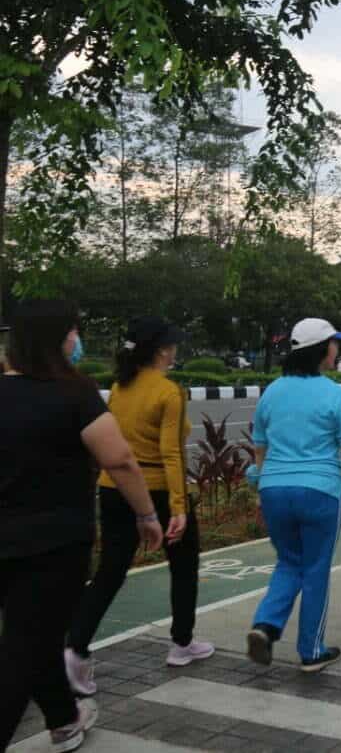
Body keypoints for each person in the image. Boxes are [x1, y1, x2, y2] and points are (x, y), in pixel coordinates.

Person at [1, 301, 163, 752]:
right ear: (57, 340)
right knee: (21, 650)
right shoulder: (73, 393)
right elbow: (120, 459)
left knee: (35, 636)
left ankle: (64, 721)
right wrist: (147, 515)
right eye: (74, 333)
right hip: (54, 543)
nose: (78, 342)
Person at [67, 318, 214, 694]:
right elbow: (171, 453)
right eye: (173, 345)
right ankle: (181, 643)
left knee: (110, 572)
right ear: (163, 350)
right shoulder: (169, 392)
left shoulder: (120, 386)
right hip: (158, 490)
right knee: (183, 565)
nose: (176, 350)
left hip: (113, 487)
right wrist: (179, 507)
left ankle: (75, 649)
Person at [245, 318, 341, 672]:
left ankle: (266, 626)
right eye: (334, 343)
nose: (338, 349)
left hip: (274, 491)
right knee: (315, 569)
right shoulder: (333, 394)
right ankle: (312, 650)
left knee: (289, 561)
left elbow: (260, 452)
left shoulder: (272, 391)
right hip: (318, 492)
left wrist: (260, 498)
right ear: (321, 351)